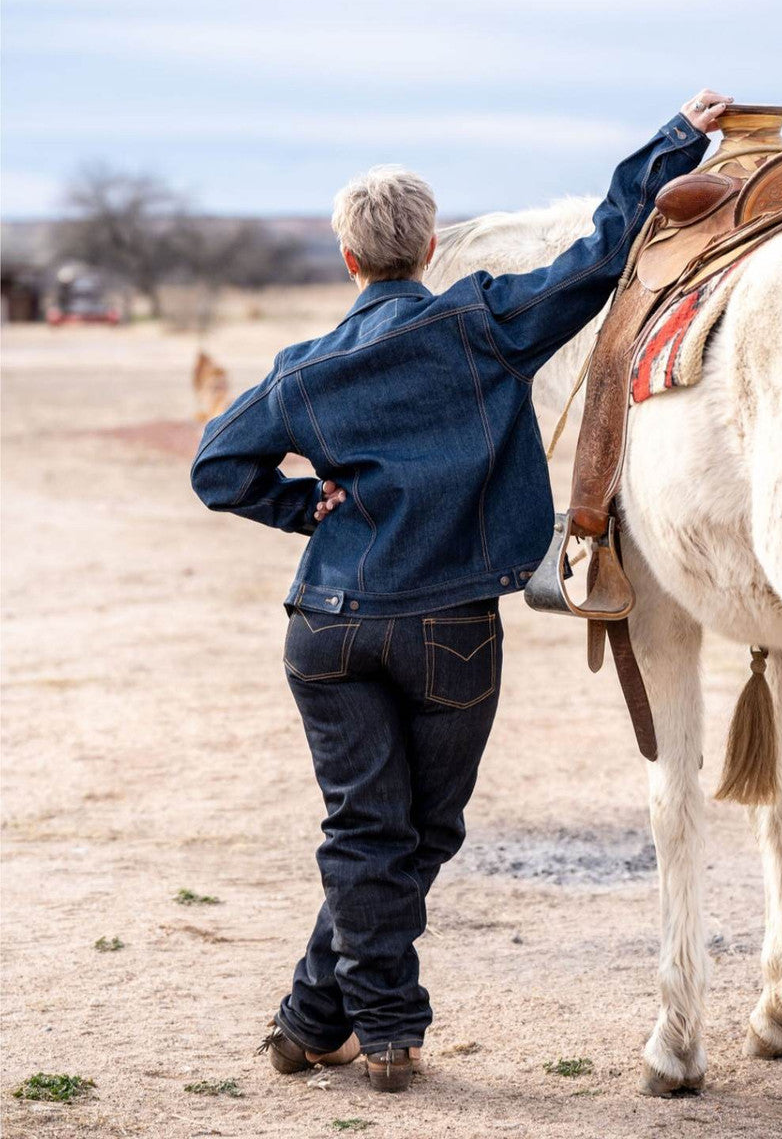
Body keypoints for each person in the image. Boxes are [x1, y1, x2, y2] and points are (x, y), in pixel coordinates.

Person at [190, 90, 731, 1093]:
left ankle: (317, 1017)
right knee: (418, 832)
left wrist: (310, 509)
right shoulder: (482, 322)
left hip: (326, 627)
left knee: (364, 830)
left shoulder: (303, 370)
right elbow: (608, 248)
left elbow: (217, 466)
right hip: (447, 629)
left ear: (348, 258)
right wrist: (674, 136)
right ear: (429, 243)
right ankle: (388, 1030)